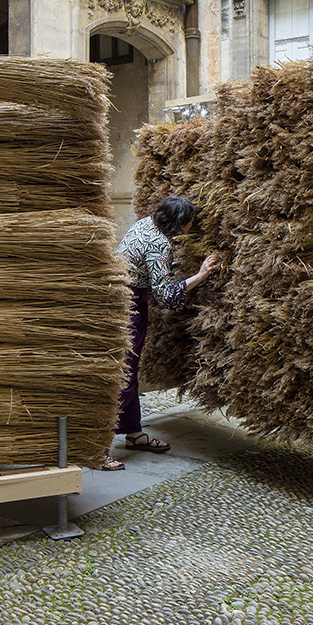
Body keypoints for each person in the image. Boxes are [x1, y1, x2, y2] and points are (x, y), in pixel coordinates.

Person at [103, 195, 220, 470]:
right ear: (179, 223)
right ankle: (98, 447)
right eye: (189, 222)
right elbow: (165, 295)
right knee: (123, 373)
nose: (191, 227)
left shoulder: (145, 224)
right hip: (128, 304)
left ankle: (134, 434)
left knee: (128, 370)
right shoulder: (159, 245)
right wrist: (201, 275)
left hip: (117, 297)